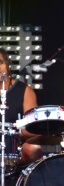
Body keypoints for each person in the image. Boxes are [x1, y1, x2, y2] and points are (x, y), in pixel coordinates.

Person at [0, 47, 42, 183]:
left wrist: (17, 131)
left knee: (33, 148)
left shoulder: (24, 91)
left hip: (14, 150)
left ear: (8, 64)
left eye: (0, 63)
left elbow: (33, 129)